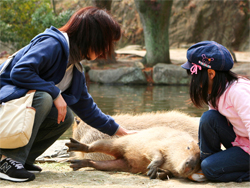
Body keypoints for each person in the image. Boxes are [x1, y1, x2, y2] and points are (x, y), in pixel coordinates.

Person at [0, 6, 136, 182]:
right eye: (107, 41)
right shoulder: (53, 44)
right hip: (4, 108)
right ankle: (9, 162)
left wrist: (123, 132)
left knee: (65, 117)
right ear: (94, 36)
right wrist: (56, 93)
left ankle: (23, 160)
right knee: (44, 97)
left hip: (11, 115)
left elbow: (89, 110)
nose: (106, 49)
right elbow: (20, 71)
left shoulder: (74, 68)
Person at [181, 41, 250, 182]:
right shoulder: (216, 92)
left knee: (210, 169)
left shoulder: (239, 92)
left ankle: (214, 169)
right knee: (209, 117)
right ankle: (209, 164)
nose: (194, 81)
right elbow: (211, 125)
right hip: (240, 140)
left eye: (195, 76)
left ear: (211, 73)